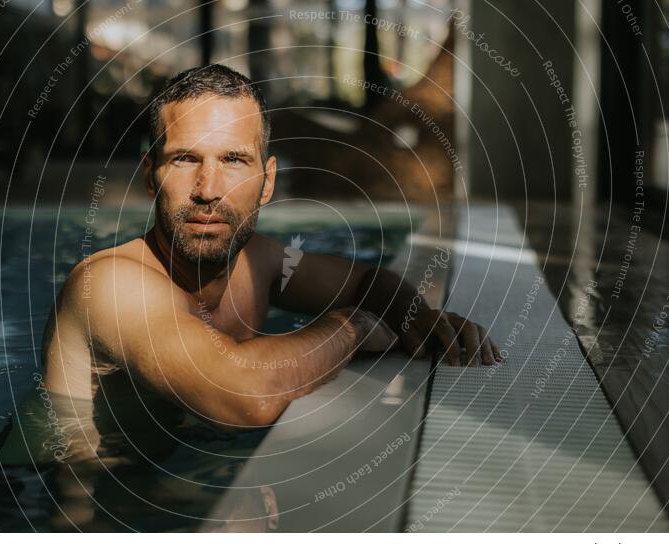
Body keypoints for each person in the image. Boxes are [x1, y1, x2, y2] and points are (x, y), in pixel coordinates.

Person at [40, 64, 501, 432]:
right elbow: (246, 397)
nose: (208, 188)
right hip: (68, 500)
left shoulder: (257, 261)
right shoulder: (108, 285)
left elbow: (365, 280)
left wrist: (416, 316)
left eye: (234, 160)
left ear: (267, 182)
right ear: (149, 175)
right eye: (185, 159)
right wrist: (357, 326)